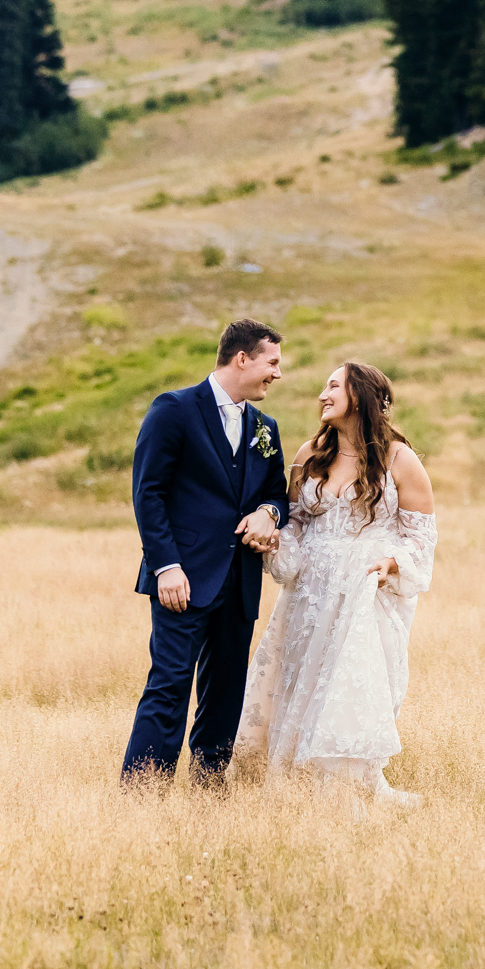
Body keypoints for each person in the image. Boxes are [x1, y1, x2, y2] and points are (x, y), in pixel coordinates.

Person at [234, 360, 437, 804]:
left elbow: (420, 536)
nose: (322, 395)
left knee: (346, 683)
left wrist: (392, 563)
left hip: (364, 592)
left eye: (332, 387)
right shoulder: (310, 455)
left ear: (359, 396)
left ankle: (344, 790)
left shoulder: (401, 460)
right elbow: (296, 527)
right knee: (298, 679)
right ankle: (292, 784)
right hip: (310, 593)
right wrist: (273, 544)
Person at [120, 317, 291, 783]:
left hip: (238, 582)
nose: (277, 373)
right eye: (272, 362)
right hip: (182, 577)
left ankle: (209, 792)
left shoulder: (265, 428)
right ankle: (141, 795)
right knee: (169, 686)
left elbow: (277, 493)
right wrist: (166, 566)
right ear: (242, 358)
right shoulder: (173, 409)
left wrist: (269, 514)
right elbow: (147, 493)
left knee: (226, 692)